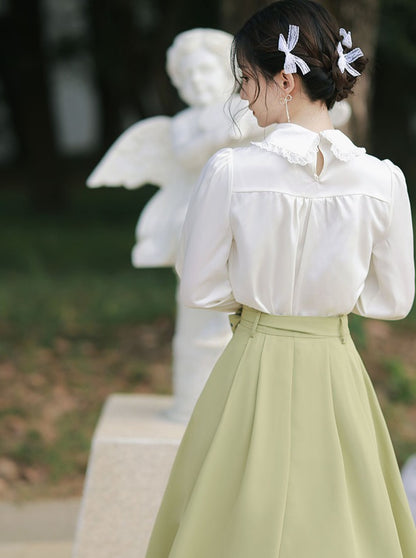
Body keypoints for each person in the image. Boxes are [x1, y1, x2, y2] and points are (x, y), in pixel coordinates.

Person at [144, 1, 416, 557]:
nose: (243, 95)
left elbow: (196, 286)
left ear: (285, 79)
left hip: (254, 358)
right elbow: (393, 299)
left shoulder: (231, 170)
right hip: (334, 363)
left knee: (228, 520)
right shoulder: (383, 180)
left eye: (247, 78)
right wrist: (327, 297)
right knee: (342, 523)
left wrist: (258, 300)